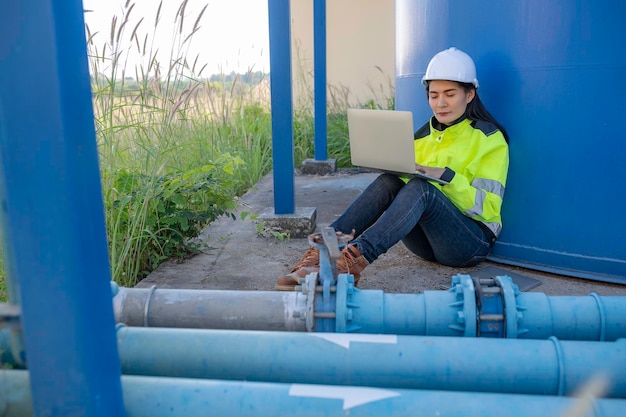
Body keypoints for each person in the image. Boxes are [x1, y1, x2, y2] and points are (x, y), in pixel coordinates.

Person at [275, 47, 510, 291]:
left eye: (450, 94)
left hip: (468, 244)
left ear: (469, 94)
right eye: (434, 95)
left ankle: (350, 262)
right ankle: (321, 253)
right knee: (389, 181)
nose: (440, 103)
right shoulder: (420, 137)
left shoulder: (489, 139)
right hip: (425, 245)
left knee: (422, 188)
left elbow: (487, 208)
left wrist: (444, 177)